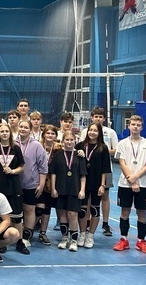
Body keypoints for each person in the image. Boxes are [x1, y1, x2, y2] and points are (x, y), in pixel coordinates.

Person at [114, 115, 146, 254]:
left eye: (138, 125)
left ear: (142, 127)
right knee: (124, 211)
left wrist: (135, 178)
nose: (135, 127)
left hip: (143, 184)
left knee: (141, 212)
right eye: (133, 124)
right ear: (129, 126)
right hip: (125, 184)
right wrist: (131, 180)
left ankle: (141, 241)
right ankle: (123, 239)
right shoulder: (122, 143)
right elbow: (122, 163)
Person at [79, 106, 119, 236]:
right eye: (96, 116)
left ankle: (105, 223)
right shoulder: (85, 131)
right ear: (92, 118)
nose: (98, 119)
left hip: (105, 169)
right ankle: (87, 222)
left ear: (104, 119)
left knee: (104, 196)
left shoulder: (110, 132)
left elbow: (116, 150)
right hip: (87, 171)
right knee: (87, 198)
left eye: (100, 117)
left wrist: (101, 151)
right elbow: (81, 148)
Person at [75, 123, 111, 249]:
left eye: (95, 131)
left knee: (95, 209)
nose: (92, 132)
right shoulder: (80, 146)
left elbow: (105, 168)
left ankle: (90, 235)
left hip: (96, 182)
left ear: (99, 133)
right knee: (83, 210)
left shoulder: (103, 148)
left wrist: (102, 185)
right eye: (90, 130)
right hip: (82, 182)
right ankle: (82, 234)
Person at [49, 131, 87, 252]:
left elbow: (83, 175)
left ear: (75, 141)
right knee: (62, 215)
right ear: (63, 141)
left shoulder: (79, 156)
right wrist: (53, 188)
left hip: (74, 189)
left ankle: (74, 240)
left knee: (72, 214)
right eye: (67, 140)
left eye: (71, 140)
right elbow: (53, 173)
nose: (69, 142)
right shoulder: (58, 155)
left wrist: (82, 190)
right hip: (61, 188)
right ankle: (65, 238)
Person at [15, 119, 48, 254]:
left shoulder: (37, 145)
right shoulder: (12, 143)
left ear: (30, 130)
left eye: (26, 127)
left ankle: (26, 237)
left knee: (29, 210)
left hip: (31, 184)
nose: (23, 129)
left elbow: (43, 167)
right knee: (14, 212)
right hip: (15, 184)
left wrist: (41, 184)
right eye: (21, 127)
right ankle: (15, 237)